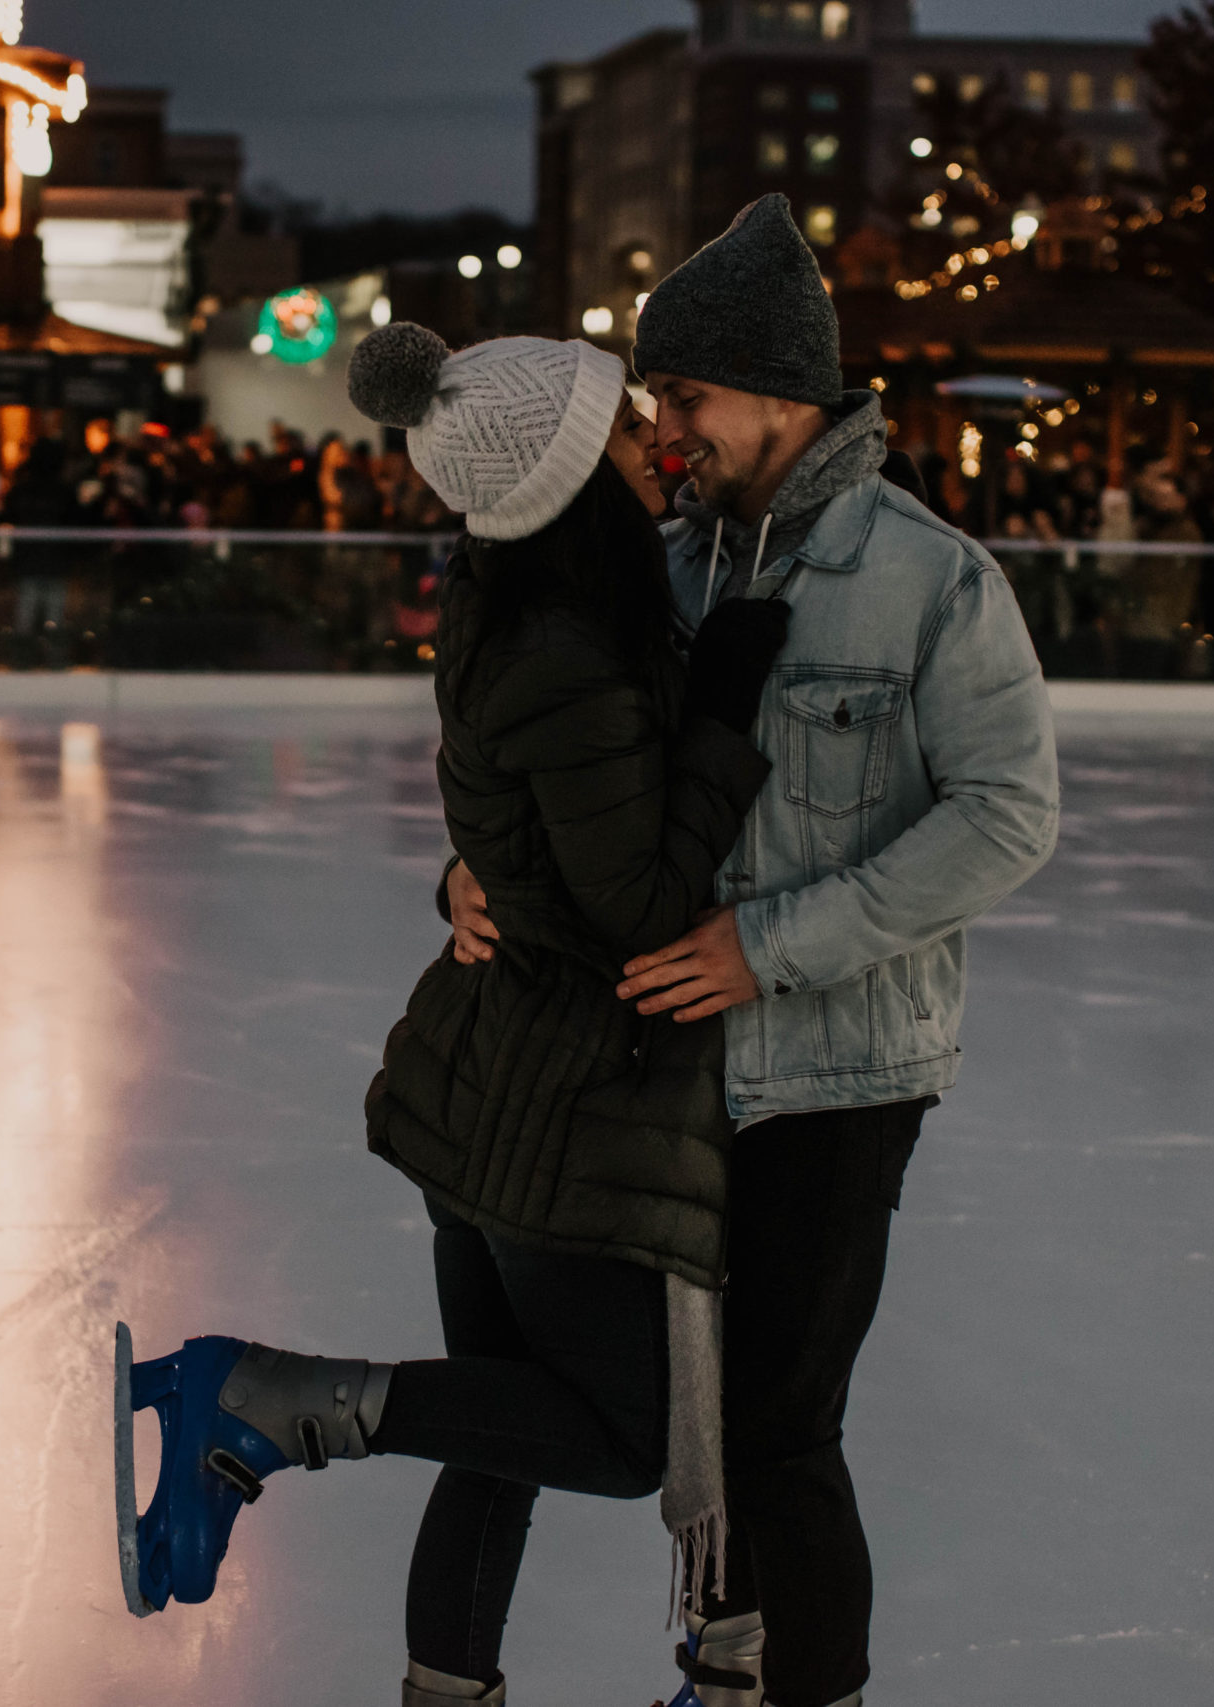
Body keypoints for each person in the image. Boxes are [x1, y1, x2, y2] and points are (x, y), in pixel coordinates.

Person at [118, 323, 789, 1707]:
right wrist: (725, 712)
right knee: (613, 1441)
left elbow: (526, 836)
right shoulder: (577, 650)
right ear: (563, 477)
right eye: (620, 433)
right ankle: (260, 1397)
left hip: (485, 1073)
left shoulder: (521, 606)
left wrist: (465, 874)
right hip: (564, 1101)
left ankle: (441, 1688)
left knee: (500, 1435)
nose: (652, 446)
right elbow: (641, 904)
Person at [449, 193, 1058, 1707]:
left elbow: (1008, 815)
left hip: (838, 1081)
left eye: (687, 395)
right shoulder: (670, 566)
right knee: (702, 1426)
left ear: (781, 390)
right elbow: (571, 765)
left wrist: (771, 948)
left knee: (784, 1433)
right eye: (657, 397)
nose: (665, 426)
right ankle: (722, 1678)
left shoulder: (930, 579)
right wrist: (467, 872)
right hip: (674, 1066)